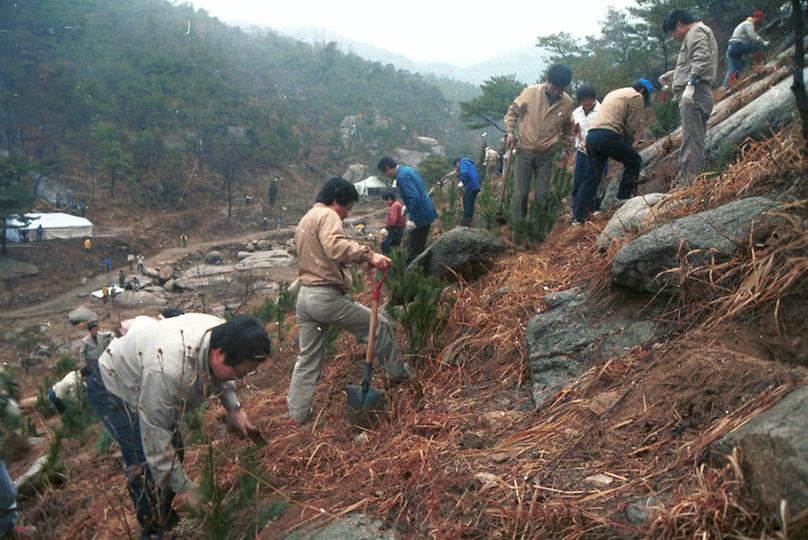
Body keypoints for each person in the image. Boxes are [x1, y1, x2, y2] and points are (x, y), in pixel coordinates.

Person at [87, 314, 269, 537]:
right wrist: (185, 489)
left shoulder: (224, 334)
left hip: (146, 374)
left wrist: (234, 408)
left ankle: (165, 513)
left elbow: (226, 376)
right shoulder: (168, 371)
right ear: (219, 355)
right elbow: (154, 436)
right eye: (240, 373)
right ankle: (154, 529)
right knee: (143, 463)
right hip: (114, 386)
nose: (240, 378)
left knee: (176, 448)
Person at [288, 177, 410, 424]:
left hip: (306, 297)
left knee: (307, 359)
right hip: (325, 297)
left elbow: (323, 254)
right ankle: (400, 378)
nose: (346, 215)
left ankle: (298, 415)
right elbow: (334, 247)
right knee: (380, 327)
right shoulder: (329, 216)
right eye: (348, 207)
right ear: (336, 201)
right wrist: (369, 255)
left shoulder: (307, 218)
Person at [573, 80, 655, 224]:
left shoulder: (616, 92)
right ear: (643, 91)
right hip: (608, 135)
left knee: (591, 177)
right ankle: (623, 198)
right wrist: (627, 147)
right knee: (634, 160)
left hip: (592, 137)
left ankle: (580, 217)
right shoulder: (636, 96)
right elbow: (631, 127)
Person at [504, 64, 575, 228]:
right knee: (520, 194)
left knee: (542, 195)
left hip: (546, 155)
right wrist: (509, 132)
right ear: (547, 81)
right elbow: (512, 112)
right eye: (554, 87)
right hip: (524, 152)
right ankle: (518, 230)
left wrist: (566, 149)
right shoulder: (530, 93)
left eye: (560, 89)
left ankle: (539, 230)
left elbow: (568, 128)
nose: (556, 91)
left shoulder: (567, 102)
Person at [662, 9, 718, 188]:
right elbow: (693, 62)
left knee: (691, 143)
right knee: (693, 141)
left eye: (672, 32)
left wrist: (690, 86)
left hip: (695, 95)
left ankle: (689, 188)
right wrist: (673, 75)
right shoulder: (695, 34)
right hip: (695, 93)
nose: (673, 37)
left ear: (679, 24)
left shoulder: (696, 31)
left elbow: (701, 59)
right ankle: (692, 184)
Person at [377, 157, 437, 263]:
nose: (387, 176)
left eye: (385, 173)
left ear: (387, 168)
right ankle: (420, 272)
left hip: (420, 214)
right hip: (426, 209)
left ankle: (413, 275)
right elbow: (417, 190)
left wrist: (412, 218)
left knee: (414, 250)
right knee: (418, 246)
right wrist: (406, 205)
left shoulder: (402, 177)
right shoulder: (408, 169)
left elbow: (414, 197)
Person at [570, 84, 602, 216]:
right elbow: (573, 129)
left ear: (594, 98)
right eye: (583, 100)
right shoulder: (576, 113)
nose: (586, 103)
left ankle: (594, 209)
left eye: (589, 99)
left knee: (597, 181)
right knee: (578, 182)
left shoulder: (602, 111)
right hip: (582, 152)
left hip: (598, 152)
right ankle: (576, 212)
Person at [723, 10, 768, 88]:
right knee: (756, 46)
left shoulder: (743, 24)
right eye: (759, 21)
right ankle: (759, 66)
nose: (759, 23)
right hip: (737, 45)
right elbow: (752, 35)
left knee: (735, 68)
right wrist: (763, 42)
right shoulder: (748, 23)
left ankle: (727, 86)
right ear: (756, 18)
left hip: (731, 48)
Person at [453, 157, 481, 227]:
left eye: (457, 166)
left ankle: (467, 220)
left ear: (457, 162)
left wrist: (462, 182)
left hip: (471, 185)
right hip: (476, 184)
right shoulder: (469, 163)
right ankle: (469, 219)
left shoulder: (463, 163)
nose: (458, 168)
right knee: (470, 201)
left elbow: (465, 173)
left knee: (466, 201)